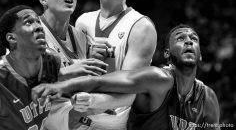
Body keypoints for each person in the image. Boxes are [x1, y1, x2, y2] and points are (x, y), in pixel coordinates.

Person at [32, 24, 221, 130]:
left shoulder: (208, 98)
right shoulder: (158, 78)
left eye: (193, 39)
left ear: (200, 54)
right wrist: (60, 87)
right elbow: (99, 82)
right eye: (180, 38)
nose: (188, 41)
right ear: (167, 53)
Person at [74, 0, 157, 129]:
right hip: (77, 115)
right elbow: (75, 71)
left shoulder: (141, 26)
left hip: (113, 122)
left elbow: (127, 90)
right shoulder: (82, 22)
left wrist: (89, 99)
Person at [37, 0, 108, 130]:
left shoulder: (81, 37)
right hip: (38, 119)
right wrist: (68, 70)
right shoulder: (31, 32)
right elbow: (19, 82)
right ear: (44, 0)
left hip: (72, 116)